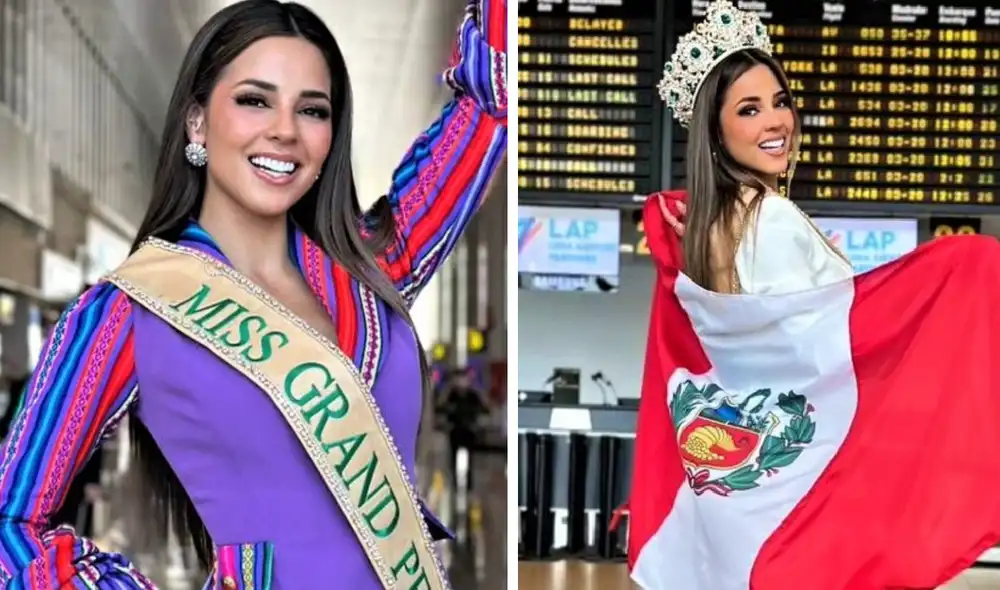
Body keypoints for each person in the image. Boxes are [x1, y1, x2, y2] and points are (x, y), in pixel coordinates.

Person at [0, 1, 506, 588]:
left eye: (312, 110)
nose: (285, 129)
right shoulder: (130, 310)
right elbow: (11, 522)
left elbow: (487, 103)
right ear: (196, 121)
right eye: (254, 100)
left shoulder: (371, 272)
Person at [654, 1, 853, 294]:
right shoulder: (771, 217)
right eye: (749, 110)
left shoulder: (716, 223)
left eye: (781, 102)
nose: (776, 122)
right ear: (715, 132)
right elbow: (806, 337)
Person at [437, 369, 490, 492]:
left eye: (464, 379)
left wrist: (478, 421)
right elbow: (441, 407)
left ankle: (469, 484)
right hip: (455, 430)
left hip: (469, 430)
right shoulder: (451, 394)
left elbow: (485, 408)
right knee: (453, 459)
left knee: (470, 459)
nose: (462, 382)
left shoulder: (473, 395)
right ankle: (454, 484)